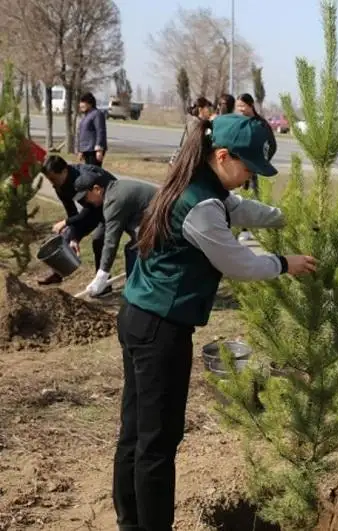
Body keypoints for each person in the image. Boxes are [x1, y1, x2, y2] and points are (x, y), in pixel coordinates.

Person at [112, 113, 316, 530]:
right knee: (158, 443)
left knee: (135, 434)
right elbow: (238, 263)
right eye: (247, 168)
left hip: (137, 317)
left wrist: (283, 217)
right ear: (222, 156)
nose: (249, 177)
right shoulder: (201, 205)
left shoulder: (195, 183)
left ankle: (129, 522)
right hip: (161, 331)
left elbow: (239, 209)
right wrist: (285, 263)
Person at [38, 155, 115, 291]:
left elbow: (91, 208)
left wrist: (66, 222)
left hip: (109, 206)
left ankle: (104, 283)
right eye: (49, 179)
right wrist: (74, 235)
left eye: (53, 178)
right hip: (92, 209)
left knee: (98, 240)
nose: (52, 183)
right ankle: (58, 273)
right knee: (66, 235)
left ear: (64, 171)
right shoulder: (59, 186)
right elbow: (72, 211)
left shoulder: (84, 178)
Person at [74, 173, 158, 297]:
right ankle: (135, 287)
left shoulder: (113, 201)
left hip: (164, 222)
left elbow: (111, 242)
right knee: (132, 249)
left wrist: (102, 274)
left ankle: (136, 293)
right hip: (155, 219)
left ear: (97, 189)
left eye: (85, 197)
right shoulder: (116, 188)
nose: (85, 202)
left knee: (135, 251)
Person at [235, 93, 278, 241]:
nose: (240, 109)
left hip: (256, 170)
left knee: (258, 198)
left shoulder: (261, 124)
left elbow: (272, 145)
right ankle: (244, 229)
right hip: (240, 169)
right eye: (238, 106)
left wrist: (262, 162)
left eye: (242, 106)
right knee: (241, 198)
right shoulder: (239, 123)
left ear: (251, 105)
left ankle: (262, 229)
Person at [77, 92, 108, 166]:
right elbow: (82, 133)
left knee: (94, 173)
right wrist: (80, 150)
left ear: (90, 104)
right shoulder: (86, 116)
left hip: (93, 150)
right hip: (86, 150)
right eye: (80, 102)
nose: (81, 105)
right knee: (89, 173)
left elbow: (100, 131)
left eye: (83, 102)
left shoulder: (97, 114)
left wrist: (99, 150)